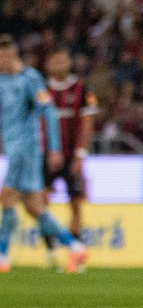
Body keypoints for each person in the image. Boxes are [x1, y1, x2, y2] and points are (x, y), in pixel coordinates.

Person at [0, 35, 87, 273]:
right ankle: (76, 247)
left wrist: (55, 148)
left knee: (6, 197)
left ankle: (2, 256)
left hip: (26, 150)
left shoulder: (30, 79)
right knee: (34, 208)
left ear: (10, 55)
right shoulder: (1, 81)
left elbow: (48, 112)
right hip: (12, 148)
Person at [39, 47, 98, 255]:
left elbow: (88, 121)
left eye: (63, 61)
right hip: (46, 155)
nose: (60, 65)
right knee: (41, 199)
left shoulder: (83, 89)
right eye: (56, 61)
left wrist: (81, 154)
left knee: (75, 201)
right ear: (48, 65)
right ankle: (50, 246)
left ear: (69, 62)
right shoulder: (42, 90)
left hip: (72, 155)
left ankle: (75, 247)